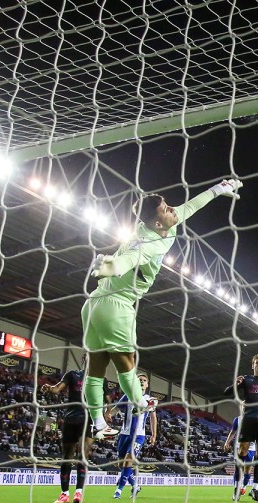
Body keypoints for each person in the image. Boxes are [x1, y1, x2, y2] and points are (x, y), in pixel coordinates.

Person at [82, 178, 242, 439]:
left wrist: (218, 190)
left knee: (96, 368)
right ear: (157, 224)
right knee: (127, 363)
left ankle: (98, 423)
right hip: (117, 304)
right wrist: (106, 267)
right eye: (166, 209)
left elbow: (190, 207)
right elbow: (128, 260)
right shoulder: (148, 244)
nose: (172, 210)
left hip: (93, 304)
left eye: (167, 205)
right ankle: (141, 404)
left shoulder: (160, 225)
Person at [224, 353, 258, 502]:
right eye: (257, 362)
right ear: (253, 365)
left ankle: (255, 489)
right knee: (242, 452)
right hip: (248, 420)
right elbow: (227, 392)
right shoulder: (247, 379)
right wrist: (235, 384)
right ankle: (237, 487)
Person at [40, 357, 93, 503]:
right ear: (83, 359)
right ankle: (64, 494)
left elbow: (107, 400)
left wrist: (106, 415)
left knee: (82, 455)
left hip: (87, 419)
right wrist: (48, 387)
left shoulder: (98, 379)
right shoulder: (72, 375)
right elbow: (57, 389)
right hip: (70, 419)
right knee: (67, 457)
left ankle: (79, 493)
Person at [111, 374, 157, 499]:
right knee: (122, 465)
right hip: (124, 434)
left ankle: (118, 490)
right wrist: (108, 415)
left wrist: (154, 434)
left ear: (147, 385)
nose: (142, 382)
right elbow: (116, 409)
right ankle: (135, 485)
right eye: (139, 380)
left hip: (139, 435)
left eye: (144, 380)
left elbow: (153, 417)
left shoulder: (150, 399)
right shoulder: (127, 395)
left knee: (128, 460)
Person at [222, 415, 256, 501]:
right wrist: (227, 442)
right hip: (239, 447)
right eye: (242, 406)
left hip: (251, 448)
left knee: (247, 470)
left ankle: (243, 487)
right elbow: (233, 432)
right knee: (238, 468)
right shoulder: (237, 420)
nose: (244, 408)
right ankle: (236, 489)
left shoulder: (255, 418)